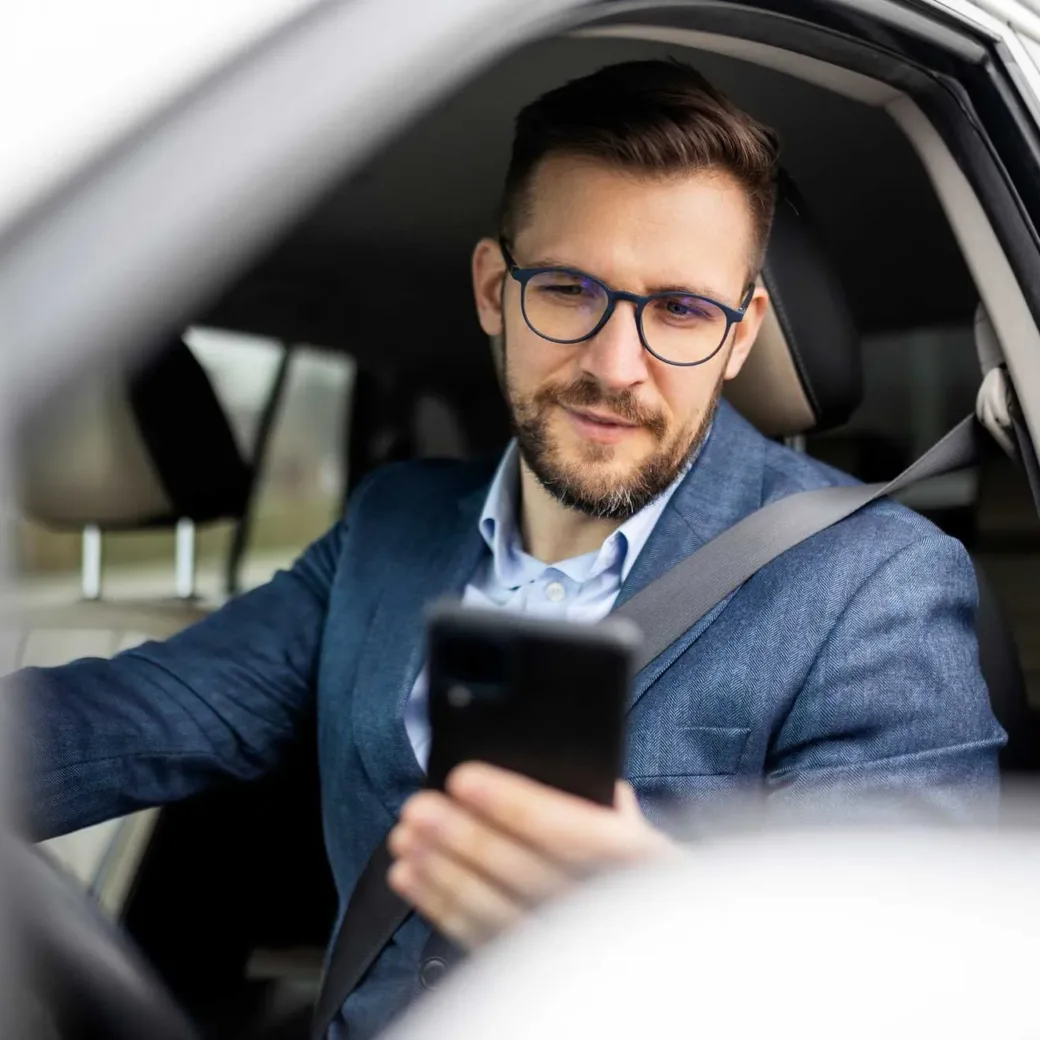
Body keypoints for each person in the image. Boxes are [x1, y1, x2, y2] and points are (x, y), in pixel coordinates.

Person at [16, 61, 1004, 1038]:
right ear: (493, 289)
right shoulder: (391, 521)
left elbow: (894, 976)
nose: (615, 369)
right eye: (569, 290)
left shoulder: (874, 581)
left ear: (740, 334)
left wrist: (660, 927)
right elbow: (146, 713)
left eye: (679, 310)